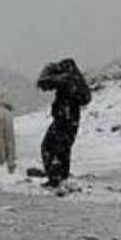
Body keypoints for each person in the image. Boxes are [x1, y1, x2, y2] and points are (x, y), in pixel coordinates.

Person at [36, 58, 91, 189]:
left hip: (64, 119)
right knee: (63, 150)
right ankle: (61, 178)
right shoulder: (74, 80)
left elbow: (44, 83)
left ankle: (55, 179)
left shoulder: (67, 78)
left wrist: (49, 71)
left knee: (49, 147)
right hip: (71, 120)